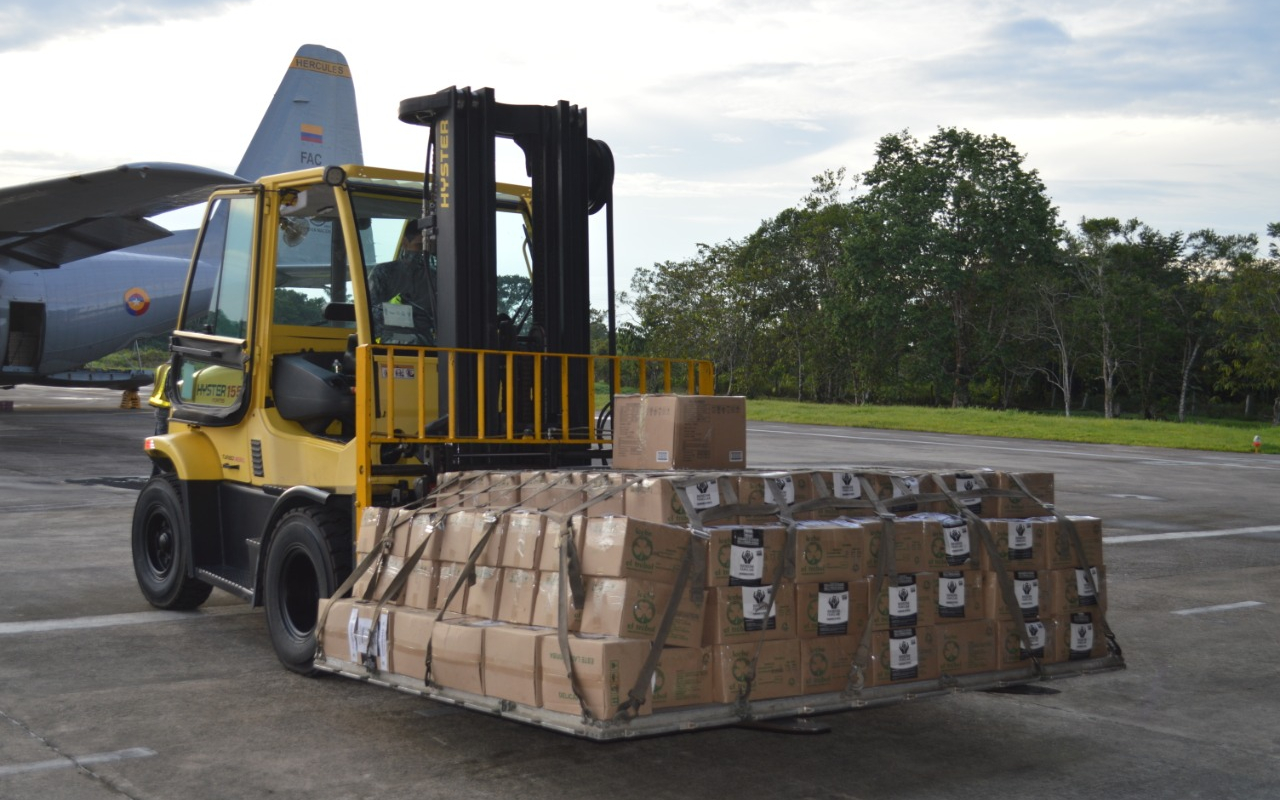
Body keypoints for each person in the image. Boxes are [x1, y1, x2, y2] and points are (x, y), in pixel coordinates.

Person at [368, 225, 436, 345]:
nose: (423, 253)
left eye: (429, 248)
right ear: (405, 243)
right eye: (419, 246)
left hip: (427, 343)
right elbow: (370, 311)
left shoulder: (438, 278)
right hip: (389, 343)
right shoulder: (383, 273)